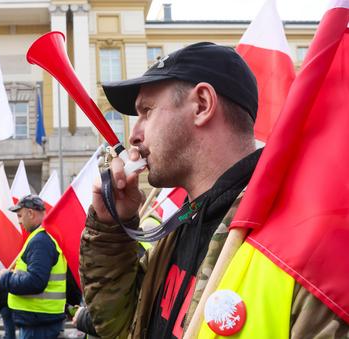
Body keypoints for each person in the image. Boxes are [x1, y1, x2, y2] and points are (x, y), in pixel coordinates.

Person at [79, 42, 349, 338]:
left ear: (202, 104)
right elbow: (118, 325)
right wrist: (109, 228)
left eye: (147, 111)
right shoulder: (179, 226)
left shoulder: (298, 239)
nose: (133, 134)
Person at [0, 194, 67, 339]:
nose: (19, 222)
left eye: (20, 216)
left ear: (30, 213)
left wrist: (6, 278)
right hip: (41, 320)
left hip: (39, 323)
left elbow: (35, 282)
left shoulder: (40, 241)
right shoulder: (43, 238)